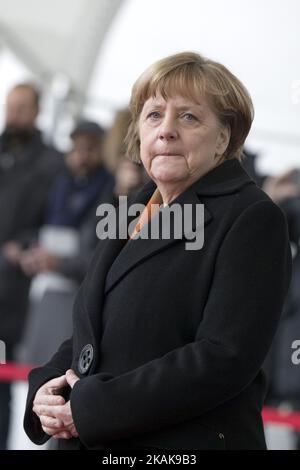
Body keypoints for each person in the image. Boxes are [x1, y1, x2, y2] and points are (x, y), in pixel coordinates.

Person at [23, 52, 291, 450]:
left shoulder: (251, 216)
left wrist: (94, 407)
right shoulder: (131, 209)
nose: (165, 131)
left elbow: (223, 357)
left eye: (188, 117)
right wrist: (47, 388)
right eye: (153, 115)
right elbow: (90, 332)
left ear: (224, 137)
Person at [0, 83, 62, 449]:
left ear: (38, 111)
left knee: (4, 381)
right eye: (10, 106)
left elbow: (51, 221)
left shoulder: (51, 163)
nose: (14, 114)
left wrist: (22, 246)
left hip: (16, 291)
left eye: (22, 108)